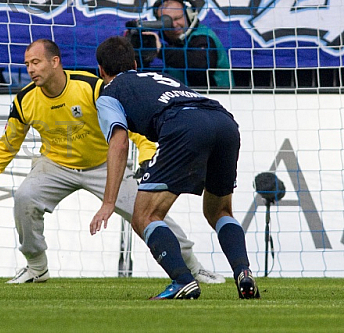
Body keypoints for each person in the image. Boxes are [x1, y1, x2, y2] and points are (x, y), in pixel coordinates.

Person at [0, 39, 224, 285]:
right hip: (55, 166)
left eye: (36, 62)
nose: (30, 69)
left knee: (150, 214)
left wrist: (148, 154)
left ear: (55, 62)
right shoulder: (24, 100)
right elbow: (6, 146)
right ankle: (37, 268)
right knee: (24, 198)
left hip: (104, 166)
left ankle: (193, 268)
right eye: (27, 63)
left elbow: (132, 125)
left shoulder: (91, 87)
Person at [91, 36, 259, 300]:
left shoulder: (109, 93)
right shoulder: (157, 77)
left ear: (101, 71)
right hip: (223, 122)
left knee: (144, 216)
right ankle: (243, 272)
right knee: (219, 211)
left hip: (184, 127)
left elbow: (119, 143)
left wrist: (108, 202)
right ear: (135, 63)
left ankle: (182, 280)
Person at [134, 0, 232, 88]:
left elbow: (200, 65)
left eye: (177, 18)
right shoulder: (169, 41)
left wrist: (162, 50)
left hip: (218, 98)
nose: (173, 24)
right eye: (166, 21)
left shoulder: (203, 36)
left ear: (188, 15)